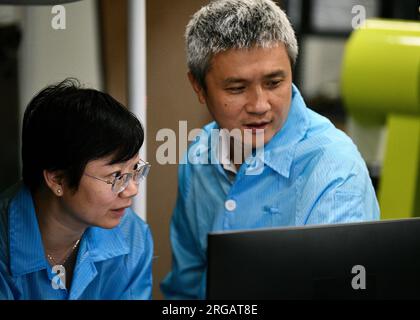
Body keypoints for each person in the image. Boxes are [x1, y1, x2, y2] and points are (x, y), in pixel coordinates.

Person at [161, 0, 380, 299]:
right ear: (198, 87)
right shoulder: (198, 156)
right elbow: (186, 288)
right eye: (237, 88)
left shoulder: (335, 168)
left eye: (275, 82)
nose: (260, 106)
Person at [0, 79, 153, 299]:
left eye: (135, 170)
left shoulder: (133, 237)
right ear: (57, 179)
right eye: (116, 176)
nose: (131, 190)